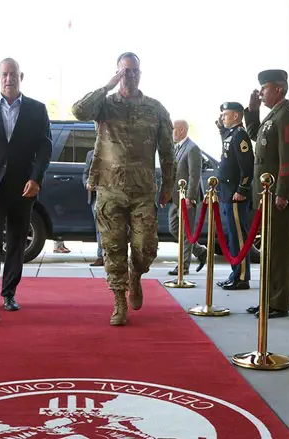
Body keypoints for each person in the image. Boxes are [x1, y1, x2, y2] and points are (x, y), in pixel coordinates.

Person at [72, 52, 175, 326]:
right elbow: (78, 110)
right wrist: (107, 86)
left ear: (141, 73)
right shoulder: (105, 106)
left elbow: (167, 150)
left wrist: (168, 185)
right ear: (117, 73)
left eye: (134, 71)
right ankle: (119, 301)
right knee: (113, 247)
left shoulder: (155, 109)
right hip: (109, 188)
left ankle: (136, 274)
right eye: (124, 71)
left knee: (147, 248)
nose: (129, 75)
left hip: (142, 191)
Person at [0, 58, 52, 323]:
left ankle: (10, 293)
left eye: (13, 74)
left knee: (16, 243)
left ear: (21, 76)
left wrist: (36, 178)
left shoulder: (37, 110)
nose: (8, 78)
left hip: (22, 188)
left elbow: (45, 147)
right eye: (4, 74)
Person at [244, 69, 289, 319]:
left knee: (279, 251)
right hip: (267, 197)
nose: (261, 92)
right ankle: (269, 299)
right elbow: (256, 135)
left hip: (279, 196)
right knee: (269, 251)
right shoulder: (273, 116)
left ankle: (279, 303)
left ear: (278, 89)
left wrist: (282, 192)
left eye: (264, 88)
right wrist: (253, 109)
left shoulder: (287, 116)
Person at [215, 103, 254, 290]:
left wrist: (242, 189)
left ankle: (242, 276)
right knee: (232, 237)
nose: (223, 118)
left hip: (236, 195)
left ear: (237, 116)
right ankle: (235, 273)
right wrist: (221, 129)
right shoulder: (231, 134)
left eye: (226, 115)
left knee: (239, 237)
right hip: (227, 193)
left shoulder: (240, 135)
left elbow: (247, 166)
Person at [168, 119, 207, 276]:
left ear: (182, 130)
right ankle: (199, 250)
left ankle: (183, 268)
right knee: (173, 227)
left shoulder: (192, 149)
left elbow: (194, 175)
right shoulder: (178, 147)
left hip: (187, 199)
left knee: (186, 232)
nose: (172, 133)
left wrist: (190, 197)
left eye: (173, 129)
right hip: (176, 198)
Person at [83, 148, 104, 266]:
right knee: (99, 227)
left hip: (112, 194)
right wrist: (87, 183)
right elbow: (85, 173)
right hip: (96, 196)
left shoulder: (114, 151)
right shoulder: (90, 154)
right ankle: (101, 256)